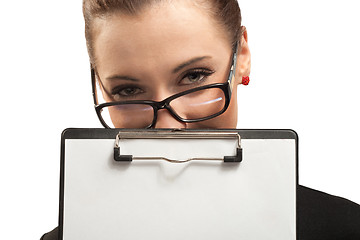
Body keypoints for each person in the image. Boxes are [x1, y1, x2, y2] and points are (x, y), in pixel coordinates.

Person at [41, 0, 360, 239]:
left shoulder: (344, 229)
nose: (167, 128)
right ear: (100, 85)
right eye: (127, 90)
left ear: (242, 56)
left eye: (194, 76)